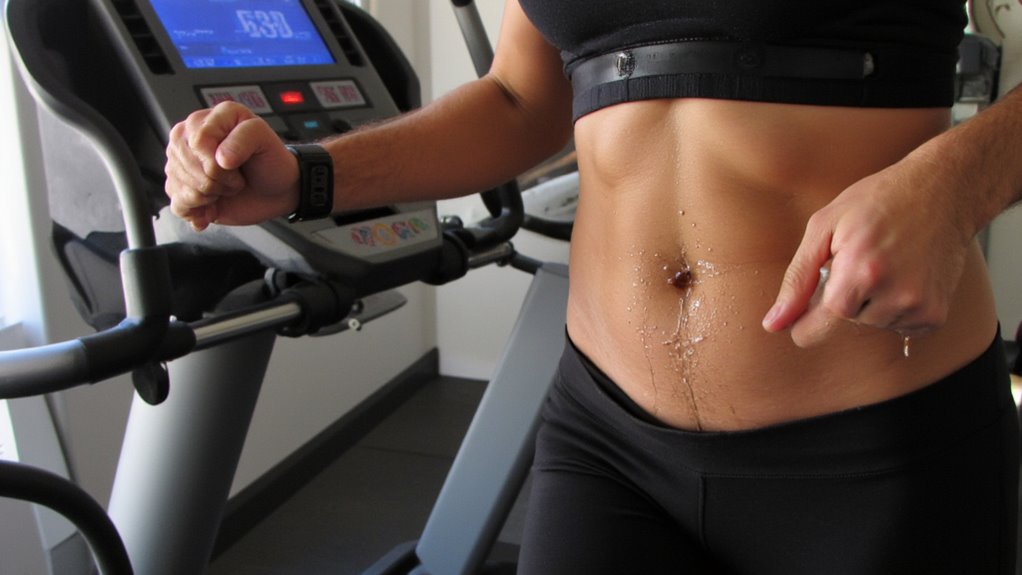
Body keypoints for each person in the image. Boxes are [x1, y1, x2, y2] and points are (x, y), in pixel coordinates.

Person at [165, 1, 1022, 572]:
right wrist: (308, 178)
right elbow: (517, 100)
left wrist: (956, 182)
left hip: (872, 446)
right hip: (607, 437)